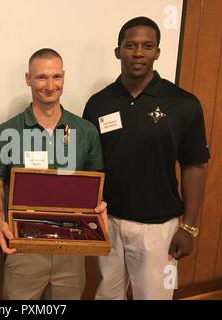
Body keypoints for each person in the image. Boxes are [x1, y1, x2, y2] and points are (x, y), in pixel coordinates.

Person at [82, 17, 209, 300]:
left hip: (159, 228)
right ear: (118, 51)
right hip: (108, 222)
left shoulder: (184, 104)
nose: (138, 53)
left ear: (157, 52)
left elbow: (195, 166)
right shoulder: (98, 103)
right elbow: (89, 167)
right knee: (106, 296)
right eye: (130, 45)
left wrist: (189, 227)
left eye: (147, 46)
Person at [0, 48, 107, 300]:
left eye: (56, 77)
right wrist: (0, 222)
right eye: (41, 77)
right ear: (27, 79)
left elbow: (94, 185)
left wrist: (99, 205)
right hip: (24, 248)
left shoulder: (86, 130)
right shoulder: (8, 131)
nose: (50, 85)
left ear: (64, 77)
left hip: (72, 248)